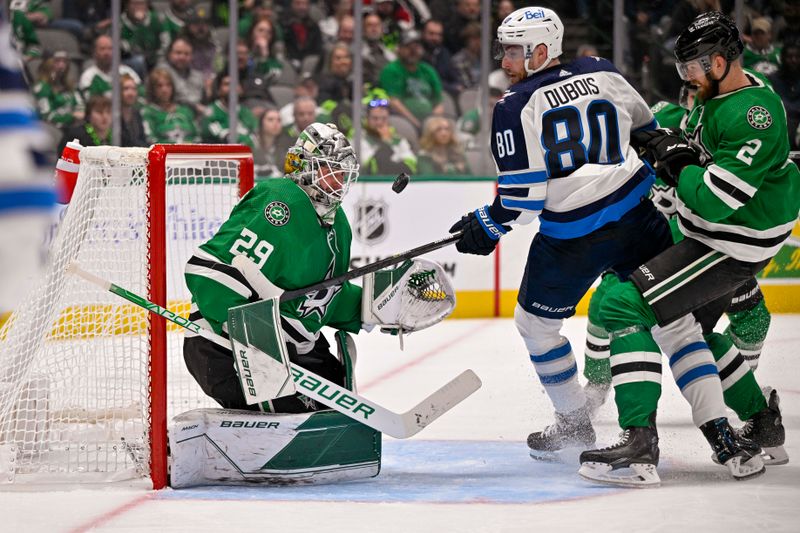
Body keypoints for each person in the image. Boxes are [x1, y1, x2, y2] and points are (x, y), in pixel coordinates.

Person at [579, 11, 799, 485]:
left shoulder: (752, 113)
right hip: (717, 235)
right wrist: (670, 154)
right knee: (684, 330)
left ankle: (639, 445)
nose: (686, 77)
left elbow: (716, 201)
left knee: (620, 304)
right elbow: (695, 162)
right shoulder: (717, 94)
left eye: (693, 67)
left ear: (720, 61)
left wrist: (678, 170)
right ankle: (761, 423)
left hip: (729, 243)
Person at [447, 6, 674, 463]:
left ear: (542, 51)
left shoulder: (514, 106)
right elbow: (649, 132)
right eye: (504, 50)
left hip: (574, 236)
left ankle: (574, 424)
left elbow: (523, 201)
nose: (505, 61)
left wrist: (487, 223)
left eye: (514, 51)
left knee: (536, 325)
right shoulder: (602, 70)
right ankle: (731, 422)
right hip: (639, 218)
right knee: (677, 319)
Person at [183, 122, 362, 413]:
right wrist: (253, 338)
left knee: (335, 403)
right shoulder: (280, 202)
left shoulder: (338, 223)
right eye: (331, 169)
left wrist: (370, 307)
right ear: (306, 167)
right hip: (223, 348)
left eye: (343, 171)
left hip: (292, 348)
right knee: (302, 409)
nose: (339, 180)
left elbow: (320, 300)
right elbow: (209, 272)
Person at [379, 29, 444, 131]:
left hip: (429, 121)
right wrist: (417, 124)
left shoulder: (428, 70)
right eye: (408, 47)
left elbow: (439, 102)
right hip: (403, 120)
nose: (413, 51)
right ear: (399, 49)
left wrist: (432, 121)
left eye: (416, 47)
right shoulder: (391, 70)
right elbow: (394, 102)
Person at [201, 72, 259, 149]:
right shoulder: (210, 112)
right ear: (218, 90)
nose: (232, 87)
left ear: (241, 89)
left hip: (246, 157)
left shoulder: (246, 112)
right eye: (227, 84)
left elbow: (255, 137)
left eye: (235, 84)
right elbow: (226, 139)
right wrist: (245, 139)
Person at [141, 68, 199, 144]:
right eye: (159, 86)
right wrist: (174, 147)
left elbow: (198, 137)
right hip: (164, 154)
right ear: (152, 89)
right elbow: (150, 140)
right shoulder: (148, 112)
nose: (165, 90)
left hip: (190, 153)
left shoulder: (185, 111)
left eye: (168, 85)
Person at [360, 98, 417, 175]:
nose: (379, 122)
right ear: (367, 119)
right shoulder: (360, 140)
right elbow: (373, 168)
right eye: (375, 118)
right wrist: (386, 141)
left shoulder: (399, 140)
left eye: (383, 118)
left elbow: (411, 167)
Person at [79, 35, 142, 100]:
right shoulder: (88, 76)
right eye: (102, 49)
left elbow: (141, 96)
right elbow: (89, 102)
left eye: (110, 48)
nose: (106, 53)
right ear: (95, 53)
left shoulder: (127, 73)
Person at [32, 51, 84, 129]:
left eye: (64, 62)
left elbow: (80, 105)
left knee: (91, 131)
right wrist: (72, 116)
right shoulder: (42, 88)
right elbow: (46, 116)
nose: (61, 66)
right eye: (57, 61)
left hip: (73, 126)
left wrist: (80, 113)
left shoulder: (70, 85)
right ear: (47, 65)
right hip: (53, 130)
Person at [253, 106, 283, 178]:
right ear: (261, 123)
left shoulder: (283, 146)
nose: (275, 123)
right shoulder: (251, 143)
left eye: (279, 120)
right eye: (270, 120)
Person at [119, 73, 147, 147]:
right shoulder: (112, 114)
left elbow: (142, 139)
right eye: (126, 89)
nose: (130, 93)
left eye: (133, 89)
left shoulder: (137, 113)